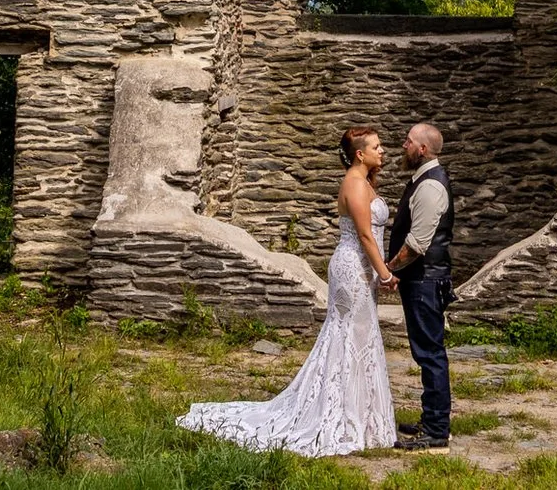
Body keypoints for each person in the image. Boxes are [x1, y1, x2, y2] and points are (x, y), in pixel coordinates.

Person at [177, 125, 398, 455]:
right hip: (354, 269)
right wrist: (385, 274)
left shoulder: (364, 182)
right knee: (348, 336)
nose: (383, 151)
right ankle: (339, 412)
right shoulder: (353, 183)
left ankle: (360, 414)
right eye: (377, 147)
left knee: (360, 338)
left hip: (363, 269)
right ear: (359, 154)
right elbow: (365, 235)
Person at [383, 121, 454, 451]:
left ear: (422, 149)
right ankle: (432, 417)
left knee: (430, 354)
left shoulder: (430, 187)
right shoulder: (422, 181)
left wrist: (389, 269)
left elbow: (417, 244)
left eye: (408, 141)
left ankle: (437, 430)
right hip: (422, 279)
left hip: (425, 281)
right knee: (425, 351)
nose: (403, 146)